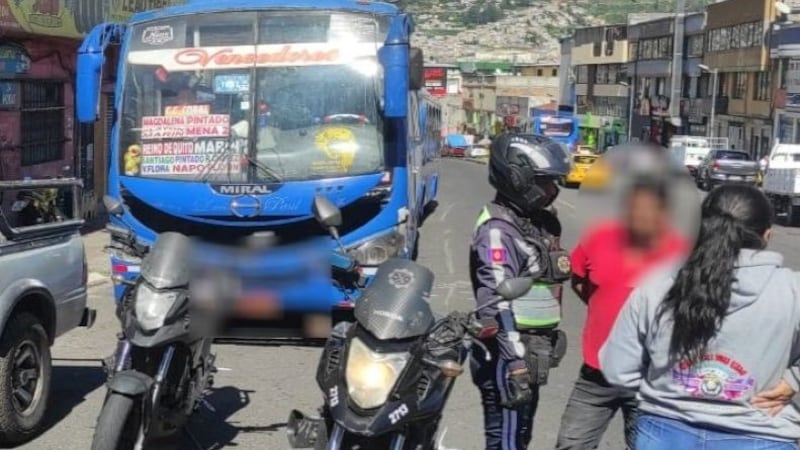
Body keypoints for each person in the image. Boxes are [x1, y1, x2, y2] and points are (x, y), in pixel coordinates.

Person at [600, 184, 800, 449]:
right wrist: (794, 379)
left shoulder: (660, 284)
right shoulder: (793, 290)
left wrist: (667, 391)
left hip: (665, 432)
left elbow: (617, 369)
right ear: (767, 234)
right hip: (760, 433)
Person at [555, 176, 689, 449]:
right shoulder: (599, 239)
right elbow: (579, 280)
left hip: (651, 378)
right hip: (596, 373)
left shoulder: (681, 250)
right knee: (570, 444)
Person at [470, 133, 571, 450]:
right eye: (545, 182)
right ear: (518, 178)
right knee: (507, 442)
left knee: (519, 438)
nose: (552, 190)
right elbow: (497, 303)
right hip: (507, 356)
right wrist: (516, 365)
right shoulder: (499, 231)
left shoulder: (530, 222)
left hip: (528, 351)